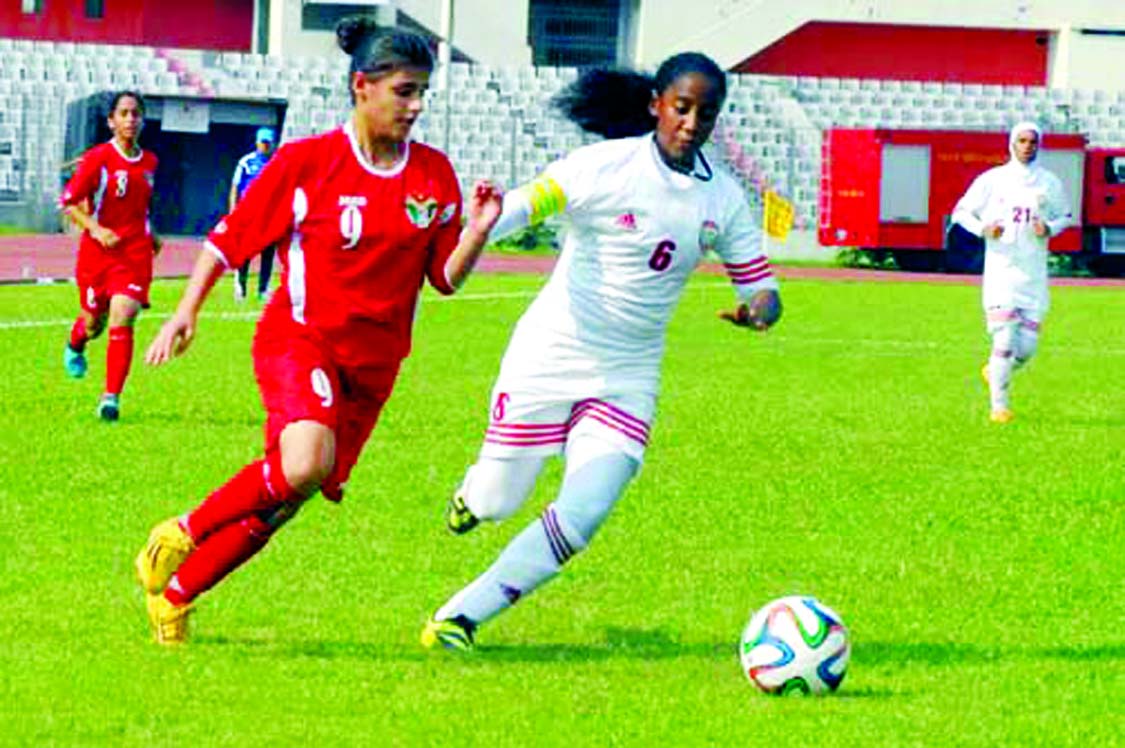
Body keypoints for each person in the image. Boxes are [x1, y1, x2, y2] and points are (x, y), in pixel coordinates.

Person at [133, 17, 502, 645]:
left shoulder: (434, 175)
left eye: (422, 94)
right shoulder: (308, 164)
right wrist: (185, 311)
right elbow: (229, 241)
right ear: (363, 86)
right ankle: (181, 532)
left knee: (284, 501)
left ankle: (176, 595)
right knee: (304, 463)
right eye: (404, 92)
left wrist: (478, 228)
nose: (415, 107)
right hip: (300, 340)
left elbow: (442, 277)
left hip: (375, 366)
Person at [420, 54, 783, 651]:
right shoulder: (602, 167)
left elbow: (761, 286)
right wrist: (487, 223)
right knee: (496, 500)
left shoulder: (724, 201)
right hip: (549, 358)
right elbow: (524, 204)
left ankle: (460, 618)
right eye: (682, 107)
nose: (692, 122)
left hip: (627, 377)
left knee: (584, 512)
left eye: (706, 113)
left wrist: (759, 312)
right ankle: (472, 494)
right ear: (656, 106)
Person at [952, 121, 1073, 424]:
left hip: (1033, 276)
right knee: (1004, 341)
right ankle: (999, 407)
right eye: (1021, 140)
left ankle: (993, 371)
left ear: (1039, 144)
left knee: (1026, 349)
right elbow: (961, 212)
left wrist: (1050, 228)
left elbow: (1066, 215)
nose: (1027, 146)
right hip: (1001, 273)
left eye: (1032, 141)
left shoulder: (1049, 183)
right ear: (1011, 143)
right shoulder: (993, 180)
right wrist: (984, 228)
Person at [59, 91, 160, 421]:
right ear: (111, 121)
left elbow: (140, 206)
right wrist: (97, 229)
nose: (131, 119)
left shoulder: (150, 163)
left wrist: (151, 233)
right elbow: (69, 203)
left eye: (136, 113)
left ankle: (111, 398)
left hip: (134, 254)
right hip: (97, 256)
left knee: (124, 313)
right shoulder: (98, 159)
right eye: (124, 113)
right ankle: (76, 343)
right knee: (93, 325)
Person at [231, 126, 277, 302]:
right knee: (246, 251)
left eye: (268, 143)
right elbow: (235, 187)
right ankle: (240, 287)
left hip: (269, 215)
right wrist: (233, 212)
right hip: (249, 214)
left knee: (267, 253)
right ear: (257, 142)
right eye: (262, 142)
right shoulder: (246, 162)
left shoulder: (277, 162)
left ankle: (263, 289)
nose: (265, 146)